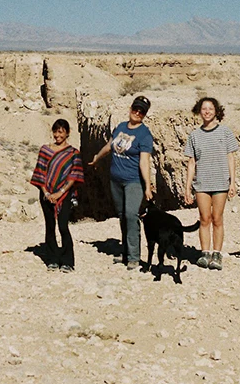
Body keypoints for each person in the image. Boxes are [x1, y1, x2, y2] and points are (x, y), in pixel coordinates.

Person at [89, 95, 154, 270]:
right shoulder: (120, 127)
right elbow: (109, 146)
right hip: (115, 180)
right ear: (130, 109)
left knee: (131, 215)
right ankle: (125, 252)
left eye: (141, 111)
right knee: (122, 215)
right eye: (135, 109)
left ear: (144, 114)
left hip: (133, 181)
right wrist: (97, 158)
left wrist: (147, 186)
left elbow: (144, 161)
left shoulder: (145, 135)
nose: (137, 113)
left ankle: (134, 256)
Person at [183, 97, 239, 270]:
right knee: (204, 218)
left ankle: (217, 254)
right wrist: (187, 188)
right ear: (199, 111)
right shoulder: (194, 135)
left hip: (221, 182)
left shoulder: (225, 132)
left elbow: (231, 157)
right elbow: (191, 162)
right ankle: (205, 253)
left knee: (217, 218)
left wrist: (232, 182)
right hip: (202, 183)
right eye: (204, 109)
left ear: (216, 111)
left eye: (210, 109)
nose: (207, 112)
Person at [31, 119, 84, 273]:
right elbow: (40, 172)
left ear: (67, 133)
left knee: (63, 226)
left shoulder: (73, 153)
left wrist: (60, 192)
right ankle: (52, 259)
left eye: (61, 132)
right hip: (46, 194)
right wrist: (47, 193)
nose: (57, 135)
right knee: (50, 226)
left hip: (65, 194)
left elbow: (74, 175)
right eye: (55, 131)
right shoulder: (45, 150)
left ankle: (68, 261)